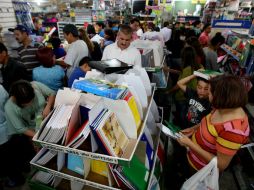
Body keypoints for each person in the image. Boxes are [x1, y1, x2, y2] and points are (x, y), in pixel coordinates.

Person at [178, 75, 250, 172]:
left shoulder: (233, 131)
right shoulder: (223, 106)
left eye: (210, 92)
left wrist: (190, 144)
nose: (208, 95)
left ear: (220, 96)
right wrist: (194, 129)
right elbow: (209, 122)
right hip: (191, 155)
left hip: (200, 169)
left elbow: (220, 165)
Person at [4, 80, 55, 185]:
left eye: (32, 100)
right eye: (27, 103)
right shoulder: (9, 108)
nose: (31, 103)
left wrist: (48, 106)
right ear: (16, 100)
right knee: (30, 151)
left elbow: (52, 93)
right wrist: (37, 137)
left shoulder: (35, 86)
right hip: (27, 130)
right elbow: (20, 129)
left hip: (41, 121)